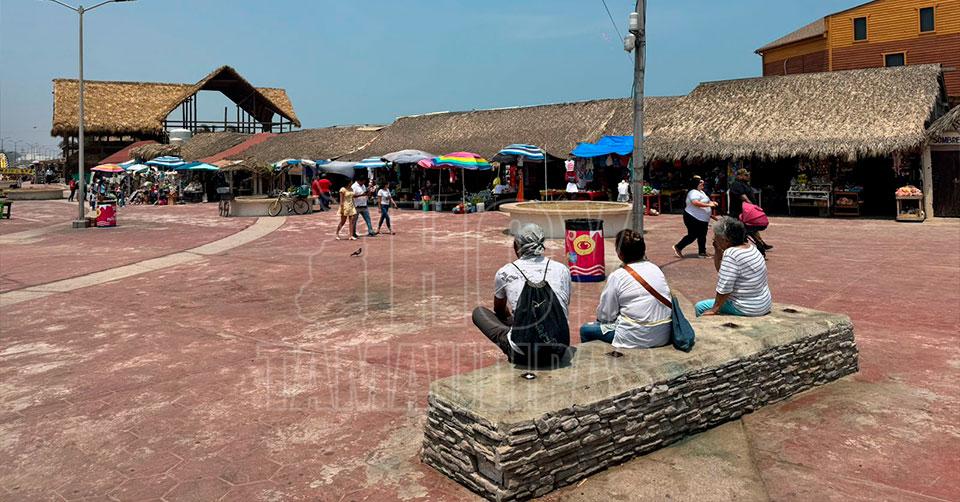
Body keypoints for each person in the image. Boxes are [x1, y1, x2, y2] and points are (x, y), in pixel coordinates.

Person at [472, 223, 571, 365]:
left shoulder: (505, 272)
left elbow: (499, 310)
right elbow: (563, 306)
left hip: (523, 355)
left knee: (479, 312)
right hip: (557, 350)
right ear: (542, 244)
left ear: (516, 246)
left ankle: (517, 334)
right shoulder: (562, 270)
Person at [580, 229, 672, 349]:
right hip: (663, 334)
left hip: (633, 336)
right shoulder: (655, 269)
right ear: (643, 250)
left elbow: (605, 315)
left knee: (586, 330)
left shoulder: (618, 276)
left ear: (620, 254)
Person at [695, 217, 772, 317]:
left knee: (700, 307)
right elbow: (721, 271)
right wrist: (718, 250)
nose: (714, 238)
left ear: (725, 239)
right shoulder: (751, 248)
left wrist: (714, 309)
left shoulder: (731, 254)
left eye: (716, 236)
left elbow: (725, 286)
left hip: (747, 307)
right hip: (763, 303)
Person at [728, 168, 772, 253]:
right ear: (739, 176)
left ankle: (761, 243)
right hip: (739, 213)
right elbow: (743, 197)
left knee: (752, 228)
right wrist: (753, 207)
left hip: (746, 213)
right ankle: (752, 245)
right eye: (746, 175)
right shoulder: (736, 185)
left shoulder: (744, 184)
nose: (748, 176)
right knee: (744, 230)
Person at [673, 176, 717, 258]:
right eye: (700, 182)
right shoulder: (693, 192)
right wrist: (709, 205)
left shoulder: (701, 192)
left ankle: (702, 252)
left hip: (702, 218)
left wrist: (712, 203)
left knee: (702, 235)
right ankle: (678, 247)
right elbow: (695, 203)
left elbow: (706, 201)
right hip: (692, 217)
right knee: (693, 235)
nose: (702, 183)